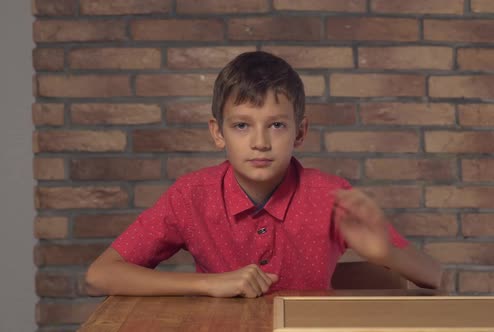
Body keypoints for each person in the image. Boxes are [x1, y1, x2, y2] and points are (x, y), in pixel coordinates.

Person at [85, 51, 442, 298]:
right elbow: (101, 274)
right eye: (242, 125)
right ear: (217, 132)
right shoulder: (191, 195)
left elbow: (433, 277)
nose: (259, 142)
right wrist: (208, 284)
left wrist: (385, 253)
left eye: (276, 125)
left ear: (299, 132)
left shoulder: (331, 195)